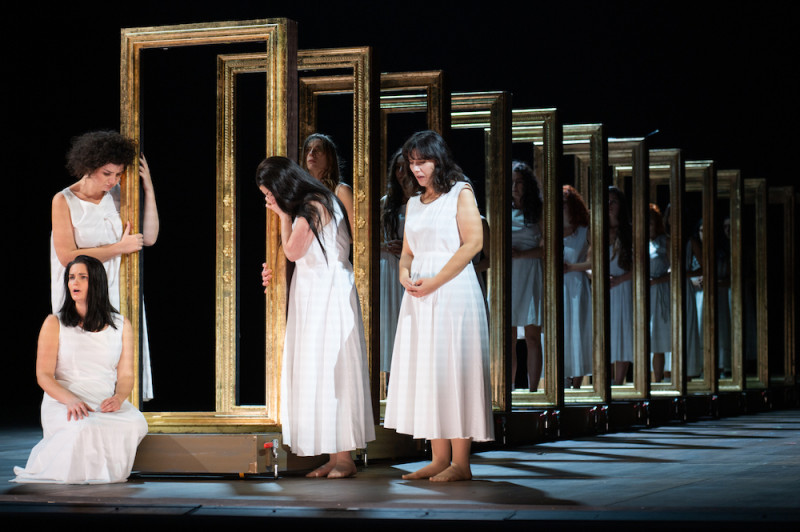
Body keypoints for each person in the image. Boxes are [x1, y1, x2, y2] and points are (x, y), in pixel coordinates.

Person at [384, 130, 493, 482]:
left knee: (453, 370)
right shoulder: (414, 203)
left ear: (438, 160)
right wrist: (404, 274)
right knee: (429, 372)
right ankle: (438, 456)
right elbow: (409, 251)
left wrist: (436, 280)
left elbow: (473, 243)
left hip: (452, 293)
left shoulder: (460, 192)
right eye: (412, 163)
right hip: (420, 296)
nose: (416, 169)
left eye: (423, 162)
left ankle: (461, 463)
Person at [258, 156, 374, 479]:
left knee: (333, 369)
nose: (270, 200)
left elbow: (293, 251)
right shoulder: (313, 202)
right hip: (314, 290)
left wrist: (282, 214)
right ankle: (334, 456)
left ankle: (345, 457)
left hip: (327, 292)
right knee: (320, 373)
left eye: (270, 193)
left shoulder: (314, 203)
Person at [13, 255, 148, 484]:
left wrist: (118, 398)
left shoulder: (121, 325)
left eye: (82, 277)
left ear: (96, 281)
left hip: (102, 397)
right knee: (84, 426)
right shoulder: (54, 323)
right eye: (71, 277)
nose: (74, 283)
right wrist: (71, 400)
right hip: (64, 400)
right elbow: (43, 375)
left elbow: (126, 375)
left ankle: (107, 475)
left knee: (136, 422)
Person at [51, 130, 159, 400]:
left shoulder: (119, 195)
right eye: (107, 173)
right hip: (81, 285)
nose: (113, 180)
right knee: (83, 353)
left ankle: (116, 409)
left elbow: (150, 237)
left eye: (119, 174)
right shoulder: (64, 200)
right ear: (88, 167)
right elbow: (67, 256)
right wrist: (118, 249)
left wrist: (149, 189)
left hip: (115, 283)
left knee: (117, 351)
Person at [379, 149, 414, 382]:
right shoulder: (385, 203)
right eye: (398, 168)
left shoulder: (420, 202)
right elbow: (366, 240)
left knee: (410, 328)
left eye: (405, 167)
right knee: (390, 327)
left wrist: (406, 248)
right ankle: (390, 389)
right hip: (388, 269)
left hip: (411, 268)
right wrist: (386, 246)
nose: (402, 173)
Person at [509, 161, 543, 392]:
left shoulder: (539, 211)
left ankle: (533, 390)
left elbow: (549, 248)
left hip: (530, 271)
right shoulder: (502, 209)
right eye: (512, 182)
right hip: (510, 274)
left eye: (519, 182)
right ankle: (507, 389)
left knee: (532, 336)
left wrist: (522, 253)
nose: (515, 187)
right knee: (508, 338)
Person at [562, 185, 593, 389]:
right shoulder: (550, 229)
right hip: (558, 286)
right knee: (562, 331)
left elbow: (595, 262)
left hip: (577, 285)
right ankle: (561, 380)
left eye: (564, 201)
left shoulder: (584, 230)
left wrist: (570, 267)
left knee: (578, 331)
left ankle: (577, 384)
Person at [301, 133, 355, 235]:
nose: (311, 153)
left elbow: (356, 236)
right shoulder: (301, 192)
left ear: (330, 158)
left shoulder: (341, 191)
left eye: (318, 149)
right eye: (308, 149)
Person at [608, 186, 633, 385]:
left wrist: (619, 280)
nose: (609, 205)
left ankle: (618, 382)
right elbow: (587, 261)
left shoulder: (629, 232)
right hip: (605, 289)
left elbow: (641, 266)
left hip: (623, 287)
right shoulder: (598, 231)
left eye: (613, 201)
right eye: (606, 201)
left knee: (623, 333)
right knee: (606, 335)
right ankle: (603, 384)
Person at [649, 204, 672, 382]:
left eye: (651, 221)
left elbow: (674, 269)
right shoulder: (639, 242)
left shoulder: (665, 241)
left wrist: (657, 280)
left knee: (659, 339)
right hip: (644, 293)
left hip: (660, 290)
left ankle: (658, 381)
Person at [685, 219, 704, 378]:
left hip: (685, 288)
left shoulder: (690, 241)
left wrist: (685, 275)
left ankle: (688, 371)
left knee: (688, 329)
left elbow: (704, 267)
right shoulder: (664, 239)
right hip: (666, 287)